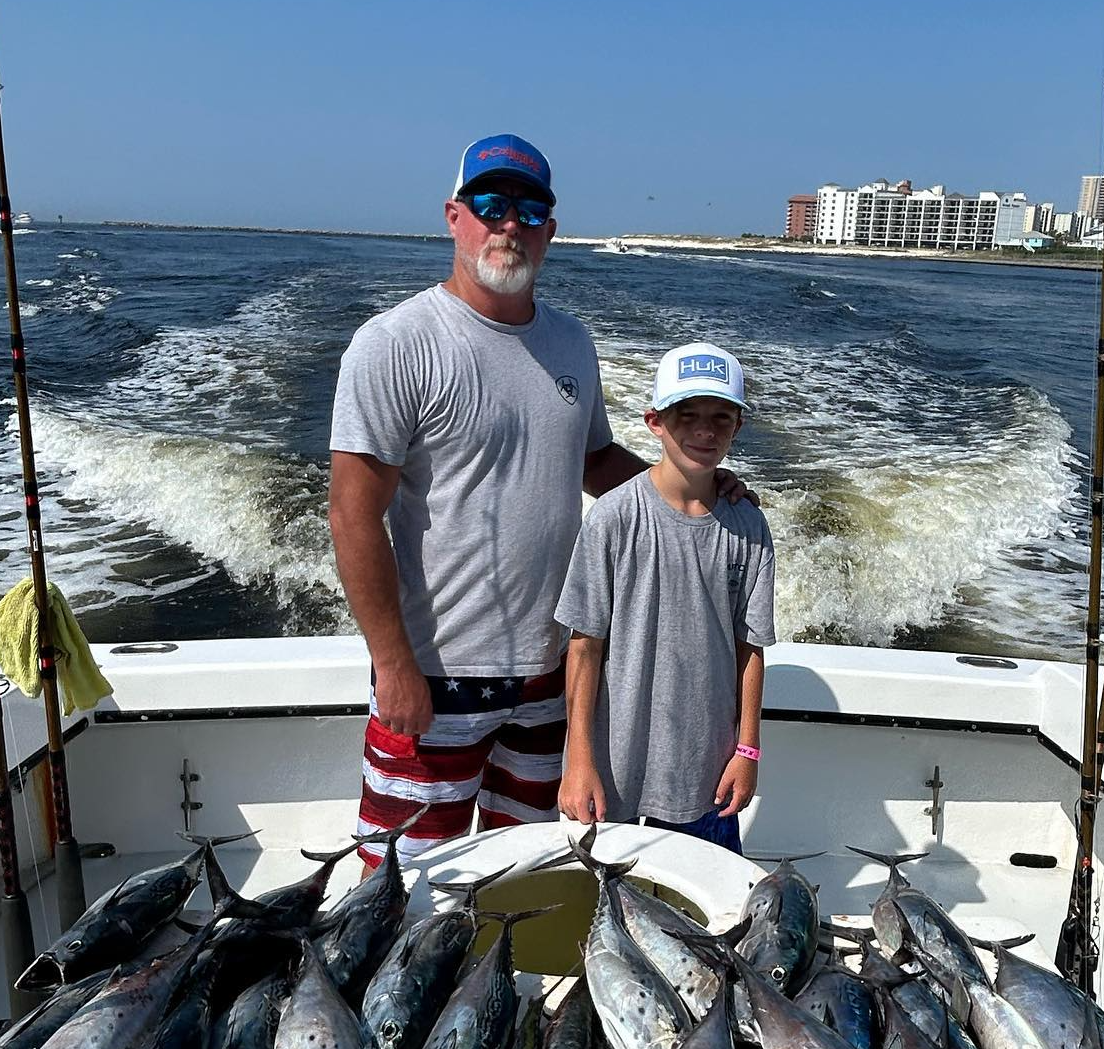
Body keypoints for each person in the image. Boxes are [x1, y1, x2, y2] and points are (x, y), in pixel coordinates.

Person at [328, 134, 653, 868]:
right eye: (492, 204)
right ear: (454, 216)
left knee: (524, 873)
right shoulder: (395, 344)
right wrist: (393, 666)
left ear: (551, 229)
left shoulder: (572, 343)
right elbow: (352, 512)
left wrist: (690, 494)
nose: (511, 223)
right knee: (407, 890)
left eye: (530, 209)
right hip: (434, 678)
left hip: (550, 675)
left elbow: (595, 458)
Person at [555, 343, 775, 853]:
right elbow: (584, 647)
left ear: (738, 427)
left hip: (707, 775)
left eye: (721, 417)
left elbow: (751, 649)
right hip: (611, 776)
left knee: (705, 915)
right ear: (655, 421)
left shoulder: (750, 526)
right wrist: (578, 760)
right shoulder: (612, 518)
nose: (705, 430)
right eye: (688, 415)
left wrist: (748, 750)